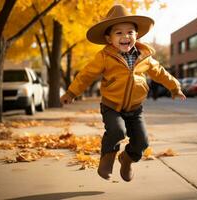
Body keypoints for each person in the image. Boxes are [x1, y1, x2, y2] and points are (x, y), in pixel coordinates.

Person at [60, 4, 186, 182]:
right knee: (117, 131)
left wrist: (174, 87)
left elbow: (160, 72)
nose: (125, 36)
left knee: (142, 142)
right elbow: (86, 75)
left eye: (130, 32)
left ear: (137, 35)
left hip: (135, 109)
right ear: (109, 38)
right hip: (112, 105)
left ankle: (126, 159)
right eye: (118, 33)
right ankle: (107, 159)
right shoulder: (104, 57)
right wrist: (72, 92)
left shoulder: (145, 57)